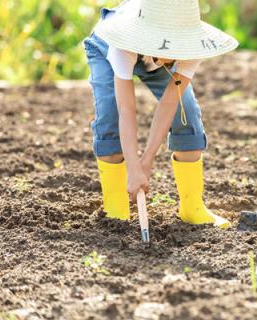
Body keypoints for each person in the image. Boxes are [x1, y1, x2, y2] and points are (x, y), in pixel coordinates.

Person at [83, 0, 238, 228]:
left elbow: (170, 102)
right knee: (110, 113)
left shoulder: (190, 48)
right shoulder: (122, 42)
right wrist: (133, 168)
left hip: (152, 58)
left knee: (187, 110)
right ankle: (116, 207)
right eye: (171, 47)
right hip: (107, 47)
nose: (176, 53)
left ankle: (192, 206)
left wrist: (147, 160)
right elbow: (127, 110)